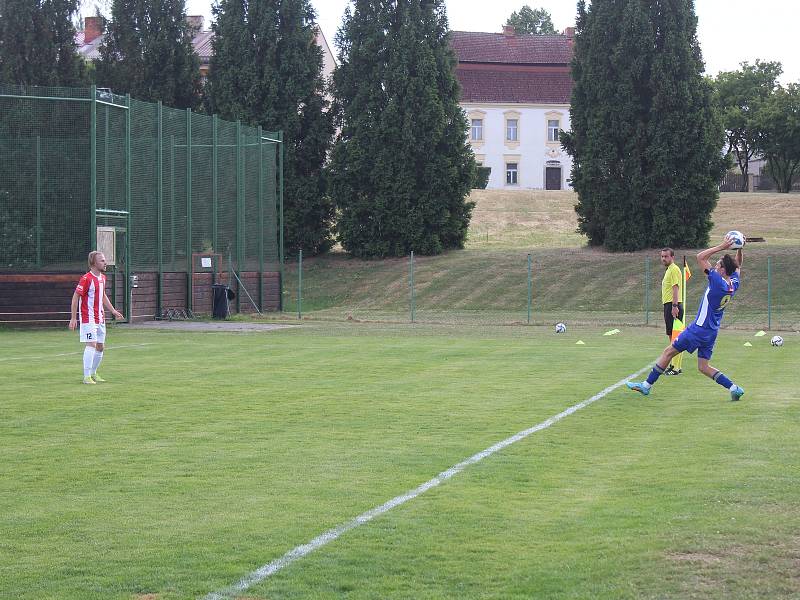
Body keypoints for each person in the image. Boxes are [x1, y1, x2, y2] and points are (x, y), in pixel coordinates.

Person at [627, 235, 745, 401]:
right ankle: (734, 388)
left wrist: (722, 246)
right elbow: (738, 265)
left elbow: (701, 257)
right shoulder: (733, 284)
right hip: (711, 332)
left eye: (717, 264)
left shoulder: (717, 282)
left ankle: (646, 386)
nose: (715, 265)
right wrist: (740, 247)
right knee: (703, 367)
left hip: (699, 329)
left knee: (668, 352)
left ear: (723, 270)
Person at [69, 251, 123, 384]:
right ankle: (86, 376)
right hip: (88, 317)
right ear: (93, 263)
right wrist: (73, 318)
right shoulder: (86, 279)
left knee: (100, 347)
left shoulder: (103, 278)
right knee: (91, 344)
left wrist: (113, 311)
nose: (105, 263)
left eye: (105, 260)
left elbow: (103, 295)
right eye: (102, 261)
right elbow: (76, 296)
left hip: (100, 317)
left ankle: (93, 373)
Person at [660, 248, 684, 375]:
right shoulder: (669, 270)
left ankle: (676, 368)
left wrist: (675, 306)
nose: (664, 258)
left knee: (676, 338)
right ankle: (674, 365)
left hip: (673, 305)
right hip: (669, 305)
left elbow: (675, 288)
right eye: (662, 256)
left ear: (672, 257)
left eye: (666, 256)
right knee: (672, 337)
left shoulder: (674, 269)